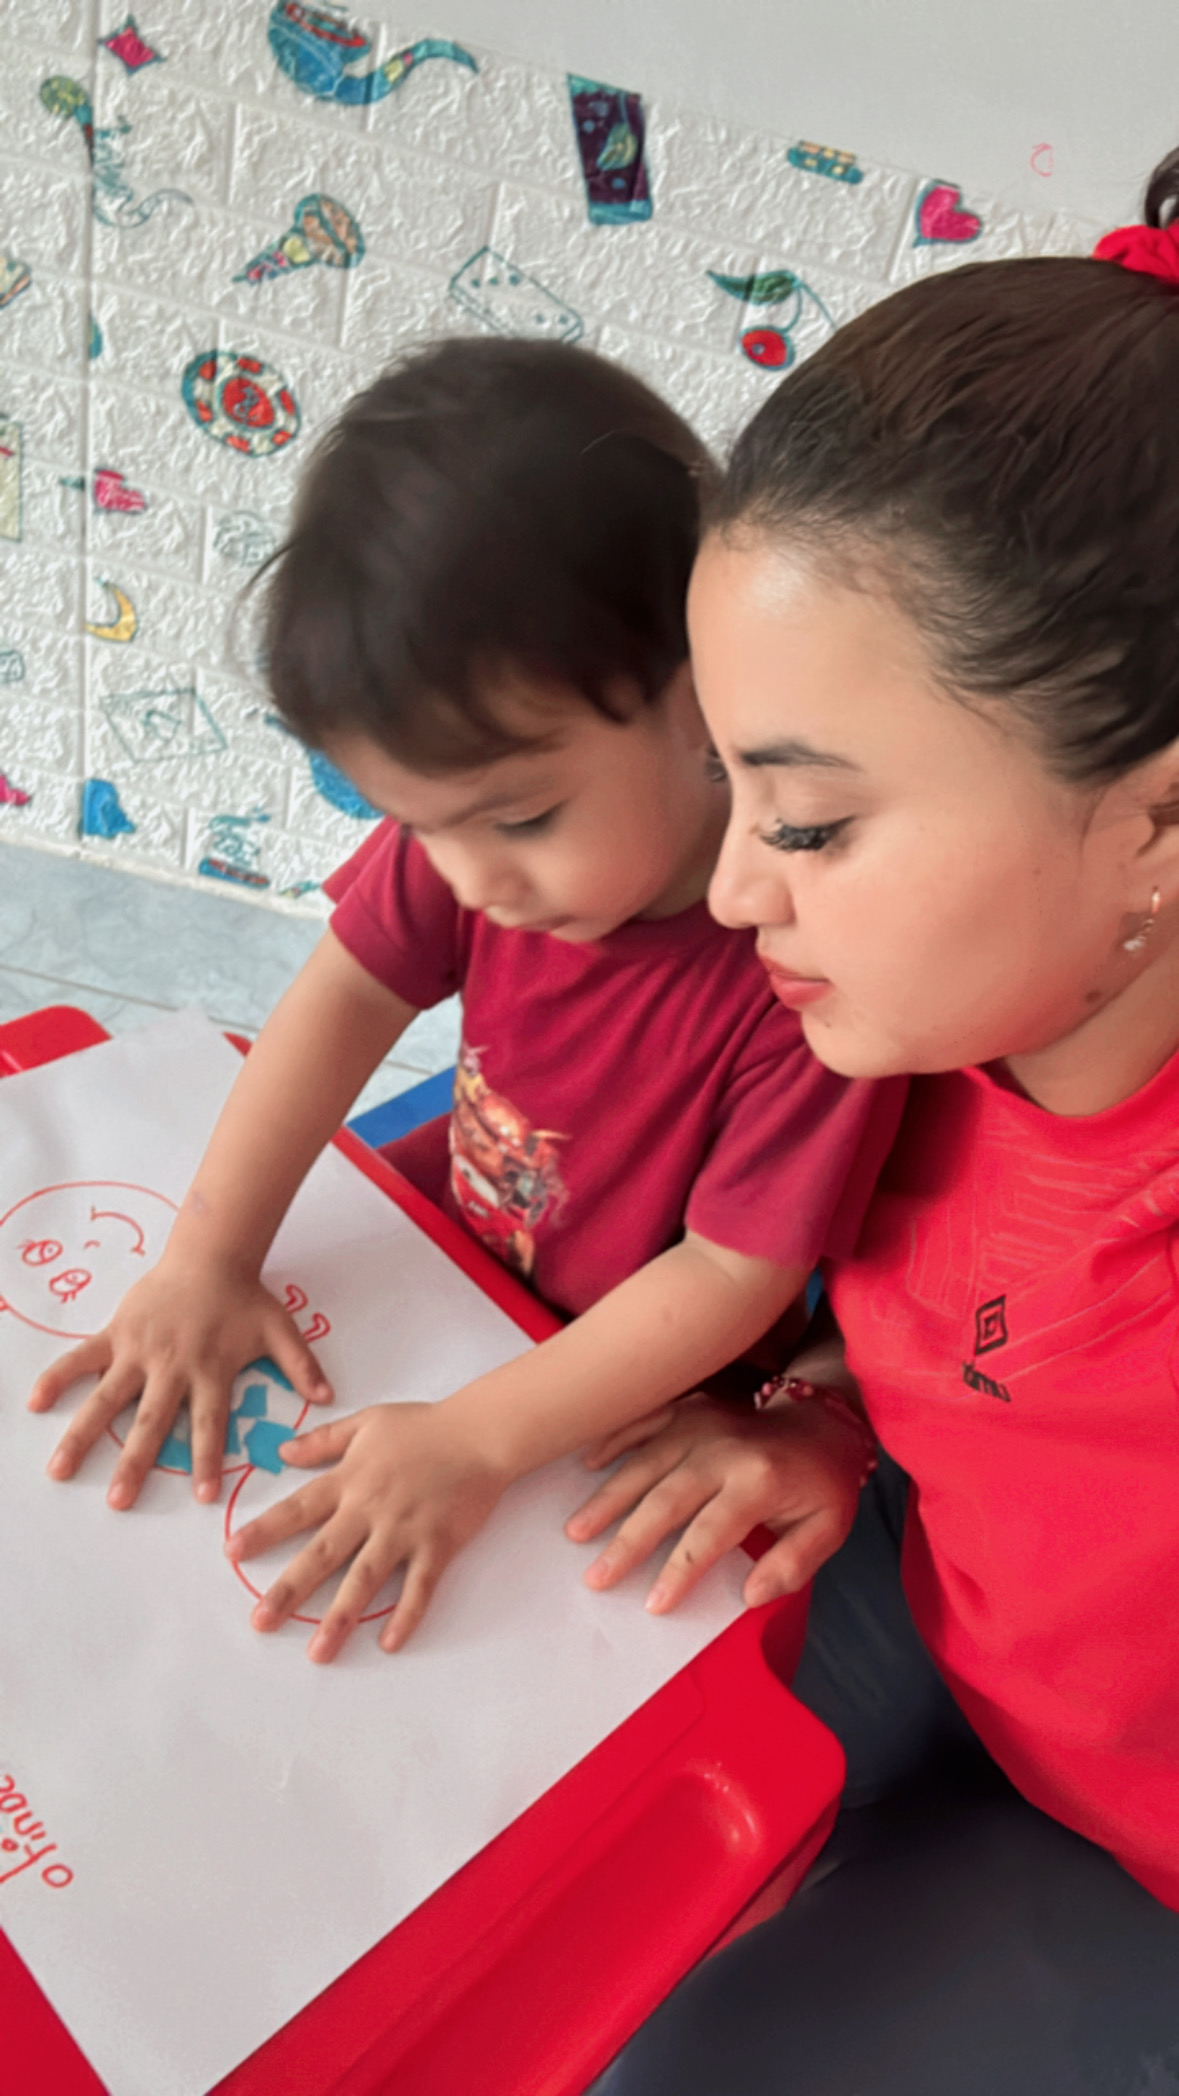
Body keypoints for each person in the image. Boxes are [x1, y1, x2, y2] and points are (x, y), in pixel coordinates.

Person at [579, 156, 1179, 2094]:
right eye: (732, 796)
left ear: (1157, 822)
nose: (732, 890)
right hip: (933, 1641)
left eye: (813, 823)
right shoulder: (896, 1037)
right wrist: (834, 1421)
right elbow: (994, 1352)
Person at [28, 339, 901, 1662]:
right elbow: (339, 999)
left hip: (632, 1394)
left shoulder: (804, 969)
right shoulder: (471, 845)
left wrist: (477, 1442)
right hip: (453, 1261)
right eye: (419, 824)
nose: (468, 877)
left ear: (706, 697)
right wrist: (208, 1256)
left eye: (522, 818)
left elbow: (734, 1275)